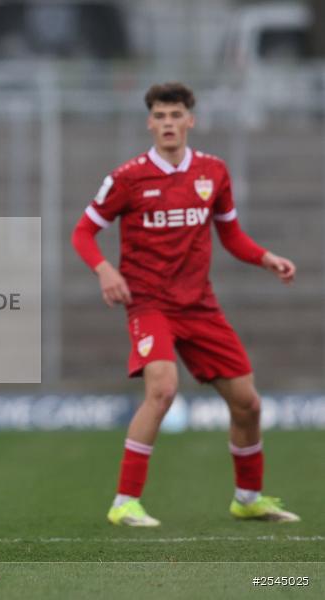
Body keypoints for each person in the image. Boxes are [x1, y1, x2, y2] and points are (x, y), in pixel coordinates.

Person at [71, 82, 301, 527]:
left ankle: (248, 498)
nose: (168, 124)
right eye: (160, 116)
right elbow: (83, 232)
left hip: (199, 305)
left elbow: (230, 235)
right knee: (163, 389)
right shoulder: (128, 177)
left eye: (176, 115)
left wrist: (265, 258)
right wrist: (104, 269)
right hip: (149, 303)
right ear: (150, 122)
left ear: (190, 120)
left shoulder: (213, 173)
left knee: (249, 403)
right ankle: (125, 502)